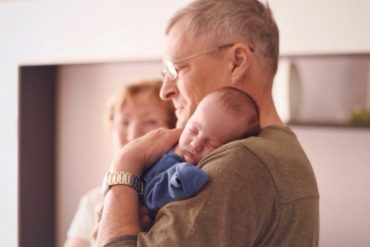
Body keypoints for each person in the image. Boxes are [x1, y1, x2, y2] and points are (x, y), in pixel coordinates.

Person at [97, 0, 319, 246]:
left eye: (176, 69)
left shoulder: (242, 161)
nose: (165, 91)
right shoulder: (281, 149)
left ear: (236, 61)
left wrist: (123, 166)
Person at [64, 80, 176, 247]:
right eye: (125, 122)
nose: (133, 133)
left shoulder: (179, 193)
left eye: (149, 122)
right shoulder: (92, 201)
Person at [142, 87, 260, 222]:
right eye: (193, 130)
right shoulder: (164, 148)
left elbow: (152, 201)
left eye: (212, 144)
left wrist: (181, 179)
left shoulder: (200, 171)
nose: (195, 144)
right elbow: (148, 197)